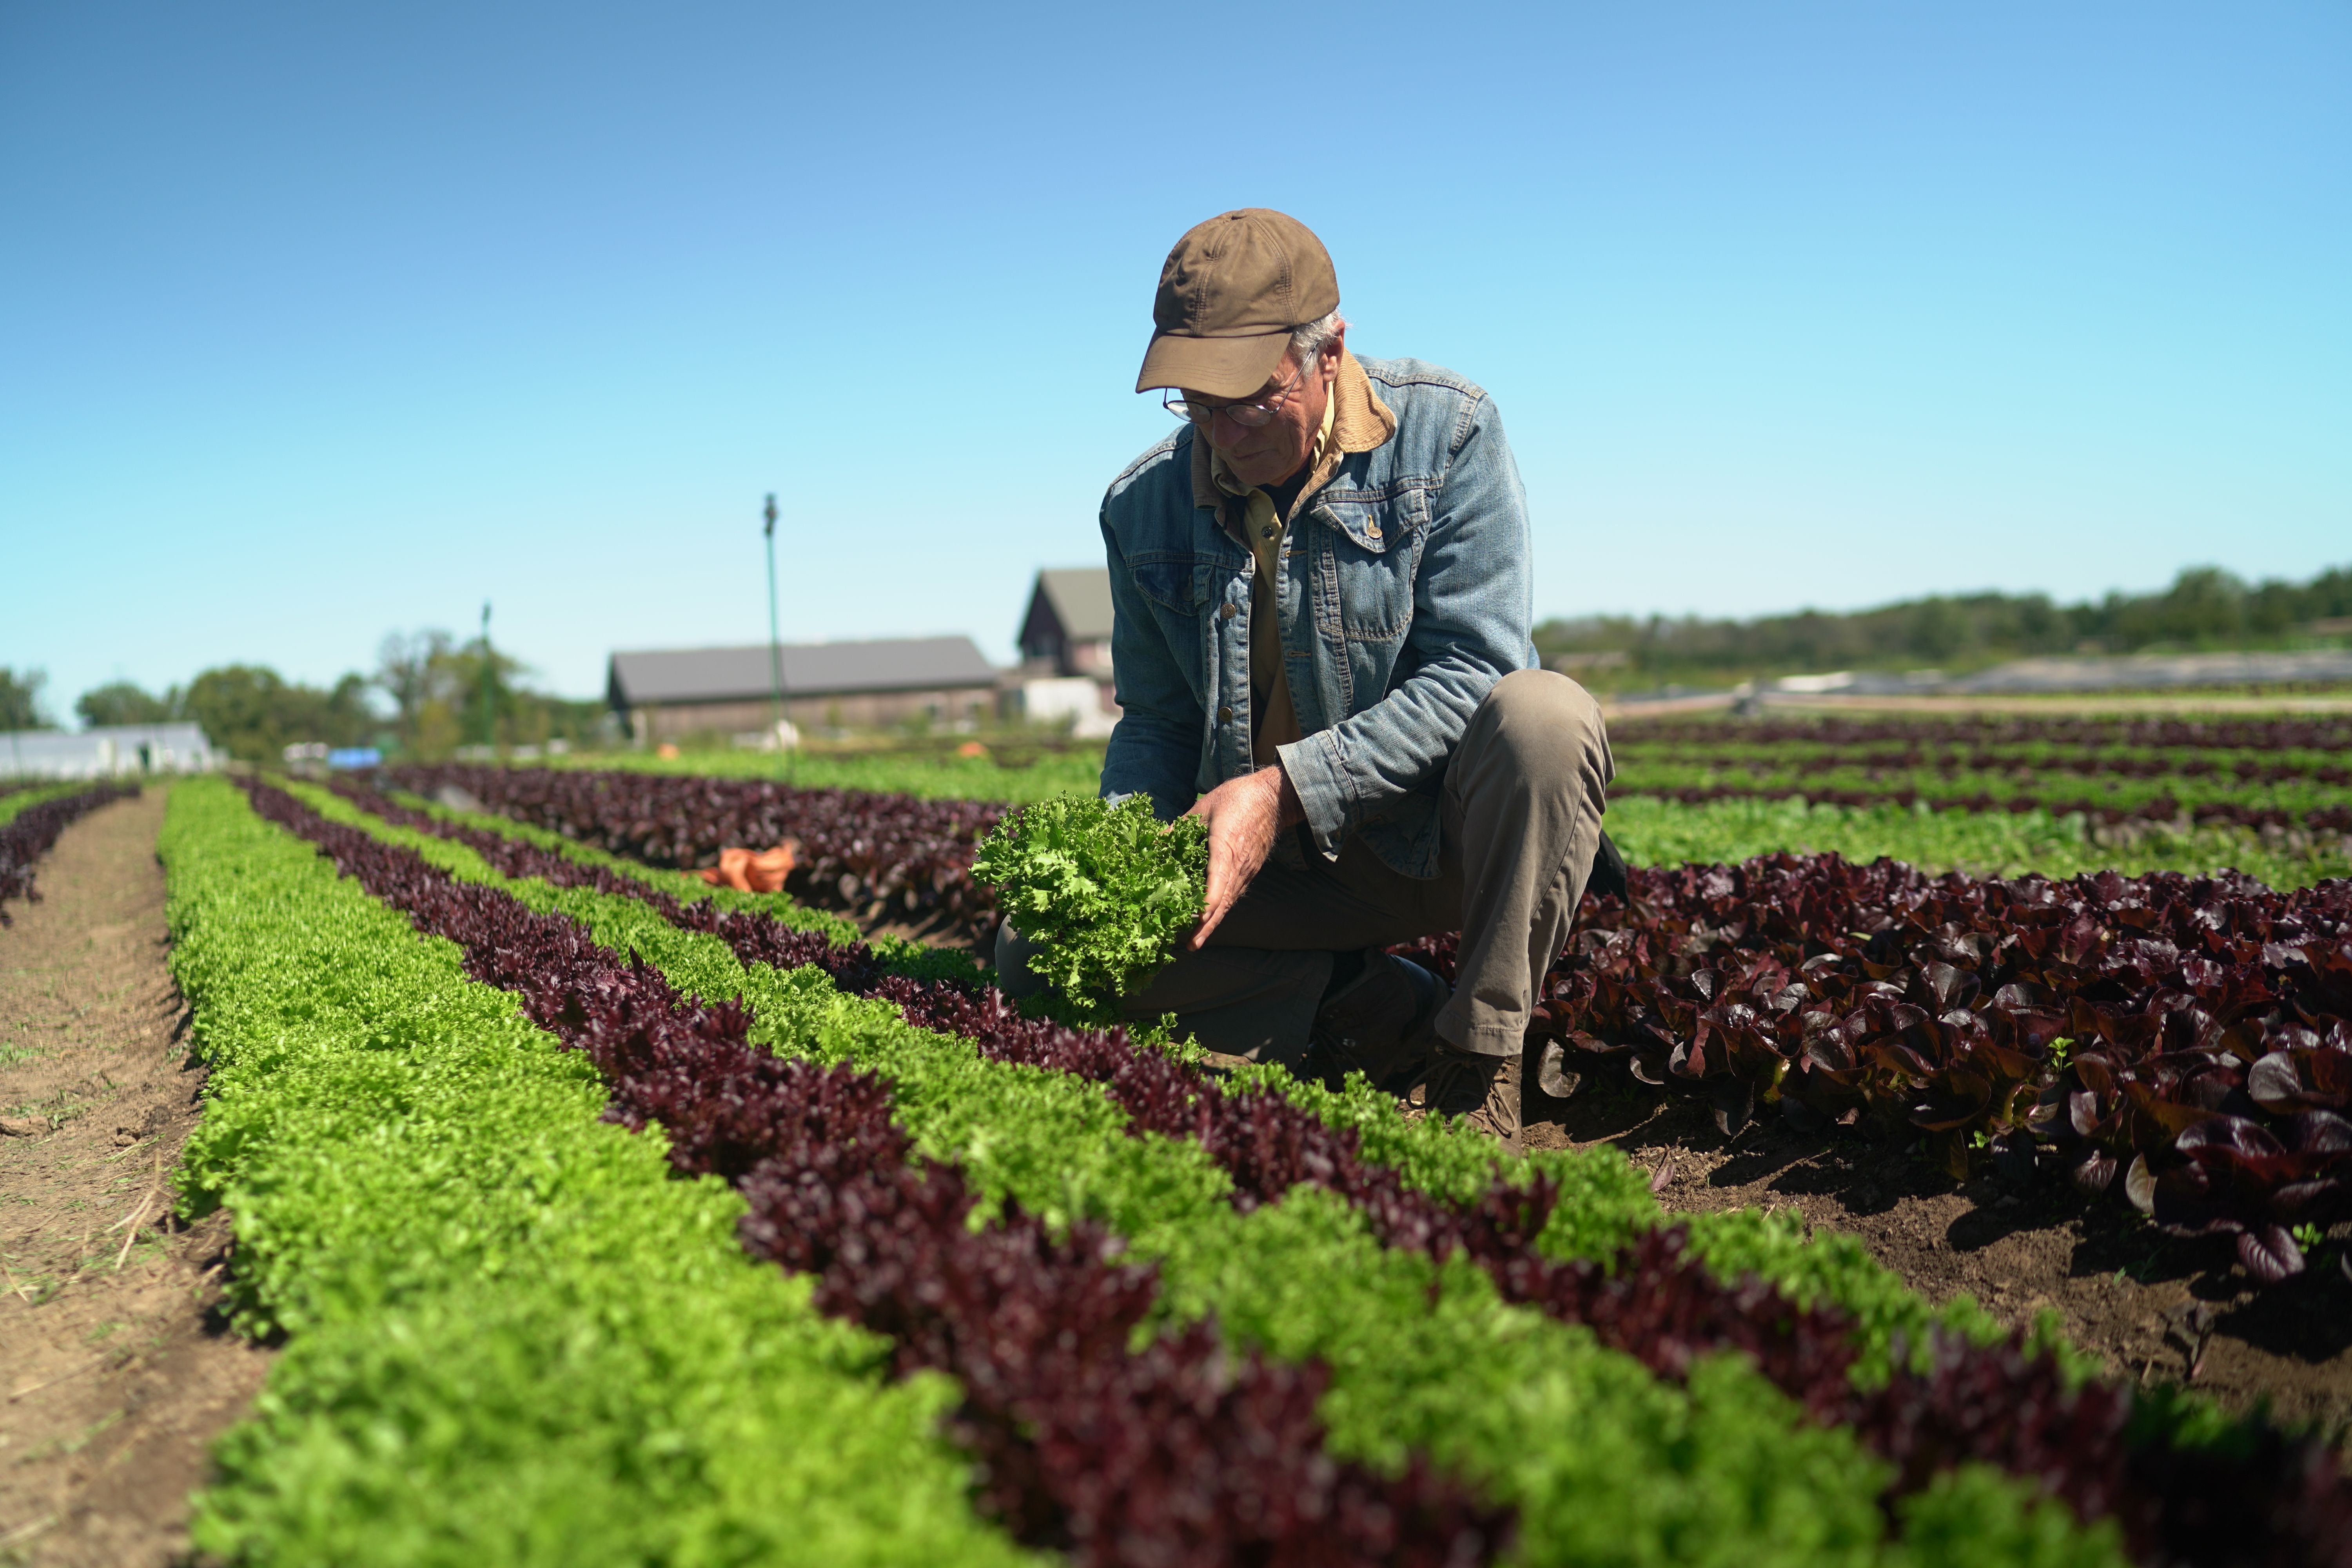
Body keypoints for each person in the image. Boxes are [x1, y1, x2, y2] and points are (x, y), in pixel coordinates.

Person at [997, 208, 1614, 1150]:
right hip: (1277, 869)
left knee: (1545, 716)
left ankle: (1481, 1053)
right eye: (1196, 402)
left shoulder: (1448, 435)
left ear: (1329, 347)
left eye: (1250, 395)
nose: (1224, 429)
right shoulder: (1141, 507)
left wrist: (1286, 789)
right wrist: (1116, 863)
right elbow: (1157, 722)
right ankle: (1370, 1004)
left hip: (1433, 842)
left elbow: (1472, 667)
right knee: (1039, 952)